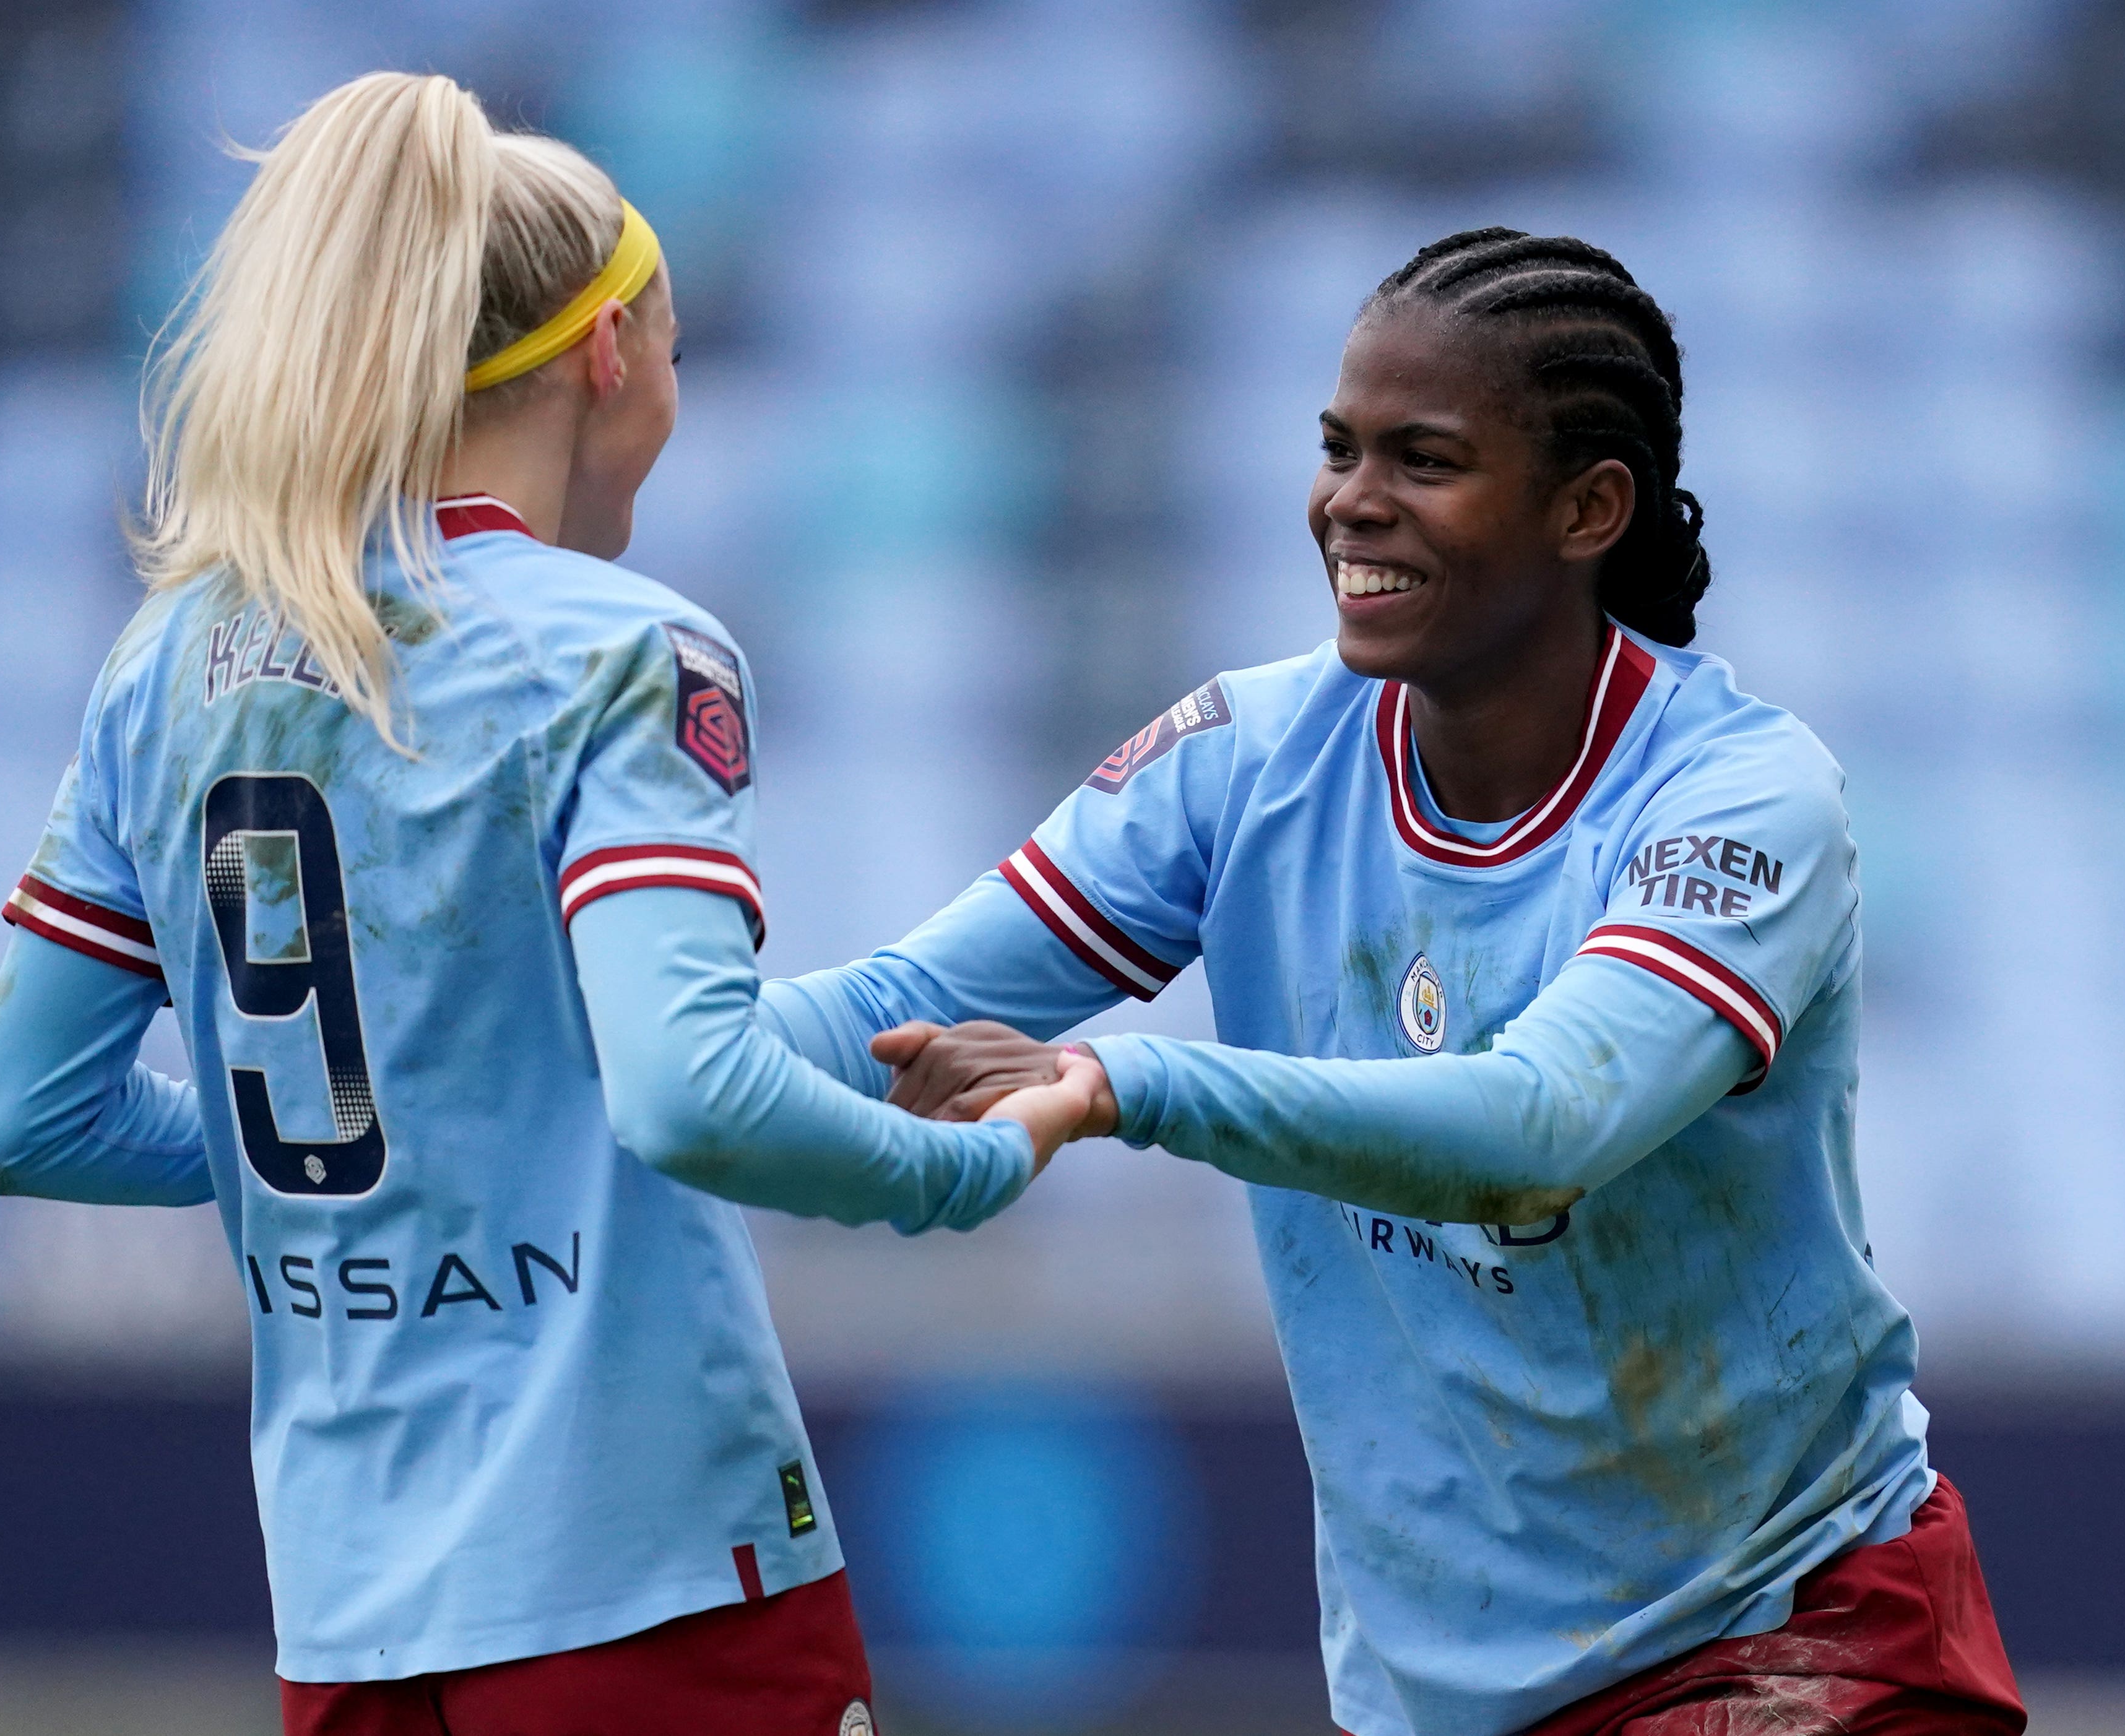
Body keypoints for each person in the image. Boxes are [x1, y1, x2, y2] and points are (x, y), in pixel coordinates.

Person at [760, 230, 2028, 1735]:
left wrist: (1130, 1083)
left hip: (1785, 1637)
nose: (1350, 502)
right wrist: (582, 1040)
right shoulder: (1243, 759)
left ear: (1586, 506)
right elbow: (886, 1008)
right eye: (1337, 447)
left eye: (1422, 458)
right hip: (1438, 1694)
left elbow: (1539, 1123)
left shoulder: (1742, 800)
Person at [0, 72, 1096, 1736]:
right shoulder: (624, 648)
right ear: (606, 359)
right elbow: (688, 1089)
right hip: (654, 1583)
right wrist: (970, 1168)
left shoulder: (169, 660)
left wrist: (415, 1119)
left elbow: (26, 1116)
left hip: (348, 1625)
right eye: (681, 354)